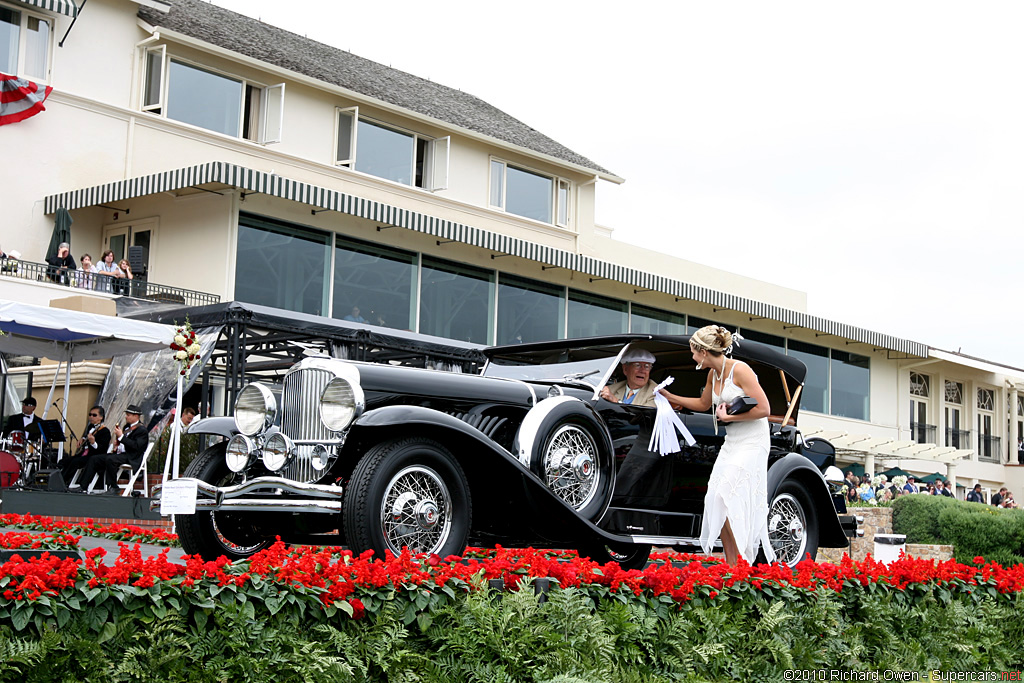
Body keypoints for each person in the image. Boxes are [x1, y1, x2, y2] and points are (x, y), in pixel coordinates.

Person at [658, 325, 775, 565]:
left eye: (693, 352)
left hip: (753, 439)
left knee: (728, 494)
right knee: (716, 498)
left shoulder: (740, 370)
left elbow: (764, 409)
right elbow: (703, 403)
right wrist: (671, 398)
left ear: (703, 351)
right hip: (732, 440)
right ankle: (732, 565)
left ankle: (742, 561)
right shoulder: (713, 374)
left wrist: (729, 418)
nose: (692, 357)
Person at [81, 404, 148, 494]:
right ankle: (83, 486)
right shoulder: (127, 427)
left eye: (128, 415)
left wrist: (121, 437)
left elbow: (136, 446)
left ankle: (113, 486)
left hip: (131, 457)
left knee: (111, 459)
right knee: (94, 458)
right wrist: (118, 445)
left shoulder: (142, 430)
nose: (126, 417)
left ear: (136, 416)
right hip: (122, 455)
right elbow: (125, 443)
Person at [62, 406, 110, 489]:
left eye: (94, 415)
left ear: (101, 417)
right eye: (90, 415)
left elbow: (102, 449)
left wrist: (93, 442)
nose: (91, 417)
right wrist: (83, 439)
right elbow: (86, 437)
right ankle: (58, 479)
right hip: (85, 454)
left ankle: (63, 481)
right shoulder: (90, 427)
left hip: (94, 456)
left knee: (75, 462)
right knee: (65, 460)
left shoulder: (105, 431)